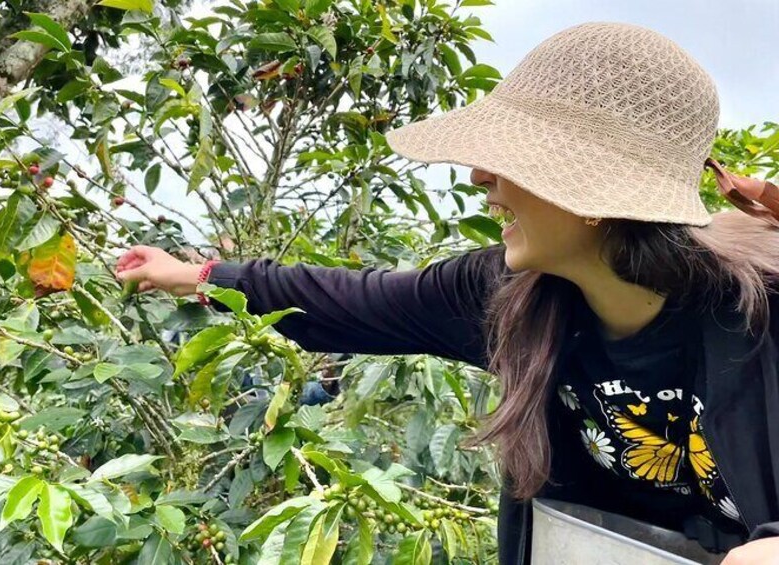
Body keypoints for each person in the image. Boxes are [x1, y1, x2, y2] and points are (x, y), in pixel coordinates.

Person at [115, 22, 779, 565]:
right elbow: (355, 303)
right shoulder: (512, 294)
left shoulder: (760, 316)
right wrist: (200, 276)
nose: (481, 177)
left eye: (513, 157)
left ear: (595, 195)